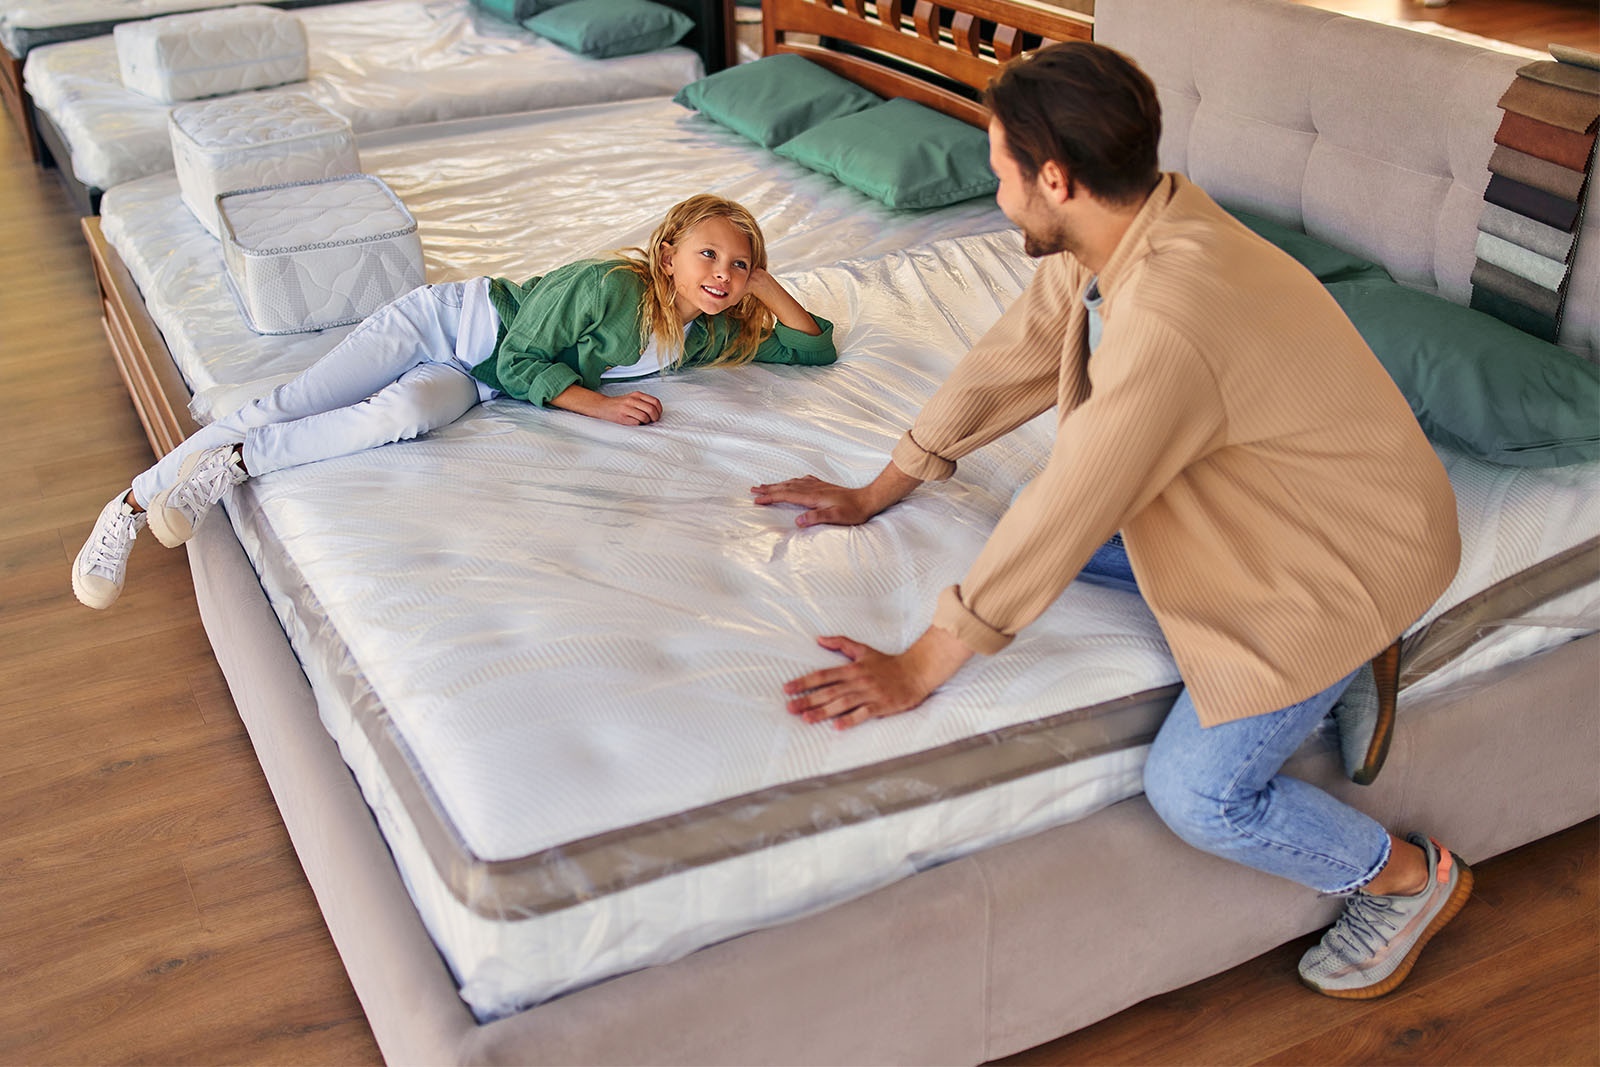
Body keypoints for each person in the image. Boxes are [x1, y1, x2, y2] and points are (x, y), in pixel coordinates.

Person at [750, 43, 1470, 1000]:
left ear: (1058, 177)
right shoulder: (1133, 221)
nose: (996, 191)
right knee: (1033, 531)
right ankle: (1350, 661)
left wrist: (926, 661)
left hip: (1342, 560)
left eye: (1002, 171)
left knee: (1198, 793)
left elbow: (1073, 494)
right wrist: (886, 484)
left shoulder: (1174, 314)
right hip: (1294, 512)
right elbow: (1022, 349)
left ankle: (1406, 880)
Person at [74, 194, 835, 610]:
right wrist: (594, 406)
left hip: (475, 380)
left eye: (739, 266)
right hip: (446, 325)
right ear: (667, 253)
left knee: (399, 418)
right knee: (293, 399)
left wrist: (766, 283)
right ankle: (131, 508)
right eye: (710, 253)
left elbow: (812, 346)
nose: (724, 273)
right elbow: (520, 355)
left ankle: (231, 464)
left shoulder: (699, 338)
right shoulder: (612, 284)